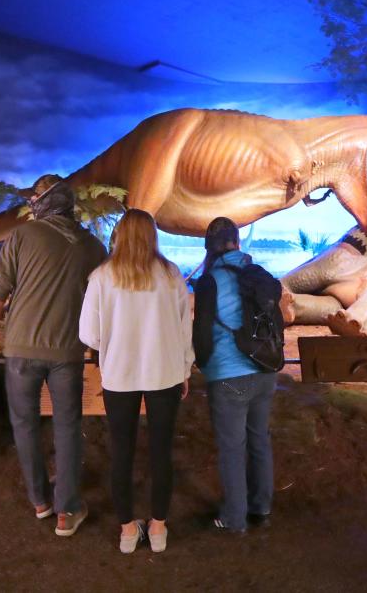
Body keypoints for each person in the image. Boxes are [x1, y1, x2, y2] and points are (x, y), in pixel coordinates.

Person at [0, 178, 107, 537]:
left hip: (20, 352)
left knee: (25, 424)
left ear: (40, 202)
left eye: (33, 198)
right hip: (68, 353)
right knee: (67, 425)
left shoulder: (21, 237)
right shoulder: (94, 247)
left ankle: (40, 501)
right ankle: (68, 510)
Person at [79, 209, 193, 554]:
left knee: (122, 452)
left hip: (119, 375)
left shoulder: (101, 277)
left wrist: (112, 344)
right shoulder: (171, 275)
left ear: (120, 236)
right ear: (153, 236)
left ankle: (128, 529)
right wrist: (185, 368)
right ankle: (158, 527)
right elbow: (184, 329)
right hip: (165, 372)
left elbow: (88, 334)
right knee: (161, 452)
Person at [193, 217, 278, 534]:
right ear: (237, 242)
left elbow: (201, 332)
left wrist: (203, 364)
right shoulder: (259, 274)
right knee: (259, 440)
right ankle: (262, 506)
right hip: (265, 371)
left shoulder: (210, 280)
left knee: (232, 447)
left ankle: (233, 519)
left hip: (229, 374)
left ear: (210, 248)